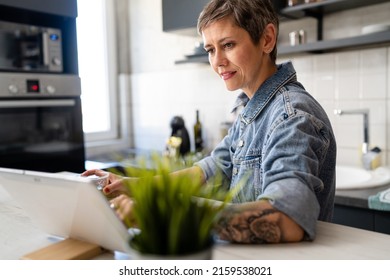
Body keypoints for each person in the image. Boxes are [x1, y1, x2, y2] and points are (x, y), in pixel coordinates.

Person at [82, 0, 336, 244]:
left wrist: (165, 214)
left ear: (267, 39)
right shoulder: (251, 109)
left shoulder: (293, 116)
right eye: (210, 50)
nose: (217, 61)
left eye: (227, 45)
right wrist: (132, 187)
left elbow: (288, 219)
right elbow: (208, 171)